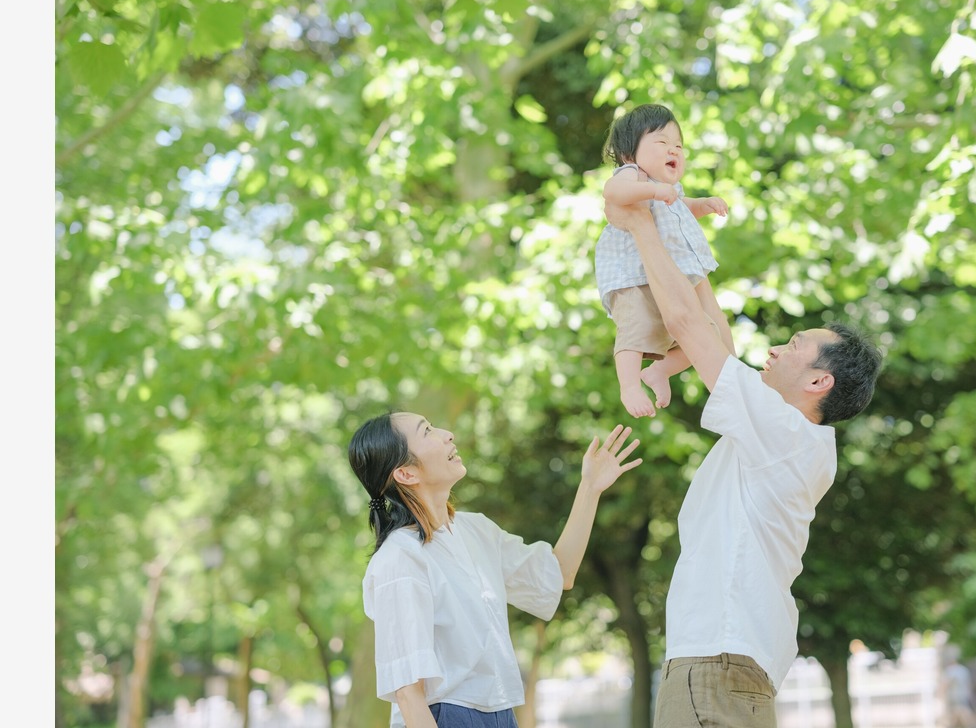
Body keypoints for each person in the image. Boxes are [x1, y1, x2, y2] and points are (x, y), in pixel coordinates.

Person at [603, 201, 883, 728]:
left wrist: (640, 223)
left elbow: (689, 324)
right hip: (733, 665)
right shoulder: (790, 437)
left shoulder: (784, 433)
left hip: (715, 660)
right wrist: (687, 246)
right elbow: (718, 336)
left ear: (819, 382)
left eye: (794, 345)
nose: (775, 349)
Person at [348, 411, 642, 728]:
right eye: (428, 431)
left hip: (501, 714)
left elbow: (558, 575)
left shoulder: (477, 531)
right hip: (445, 716)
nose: (448, 433)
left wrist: (590, 488)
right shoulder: (400, 559)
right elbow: (408, 694)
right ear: (406, 474)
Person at [595, 103, 736, 418]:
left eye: (678, 145)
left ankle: (660, 372)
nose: (674, 150)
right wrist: (654, 191)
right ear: (629, 154)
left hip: (666, 281)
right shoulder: (633, 175)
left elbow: (682, 207)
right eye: (661, 143)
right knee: (637, 326)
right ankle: (629, 386)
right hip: (631, 277)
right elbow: (612, 191)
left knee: (705, 331)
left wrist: (704, 204)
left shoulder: (671, 190)